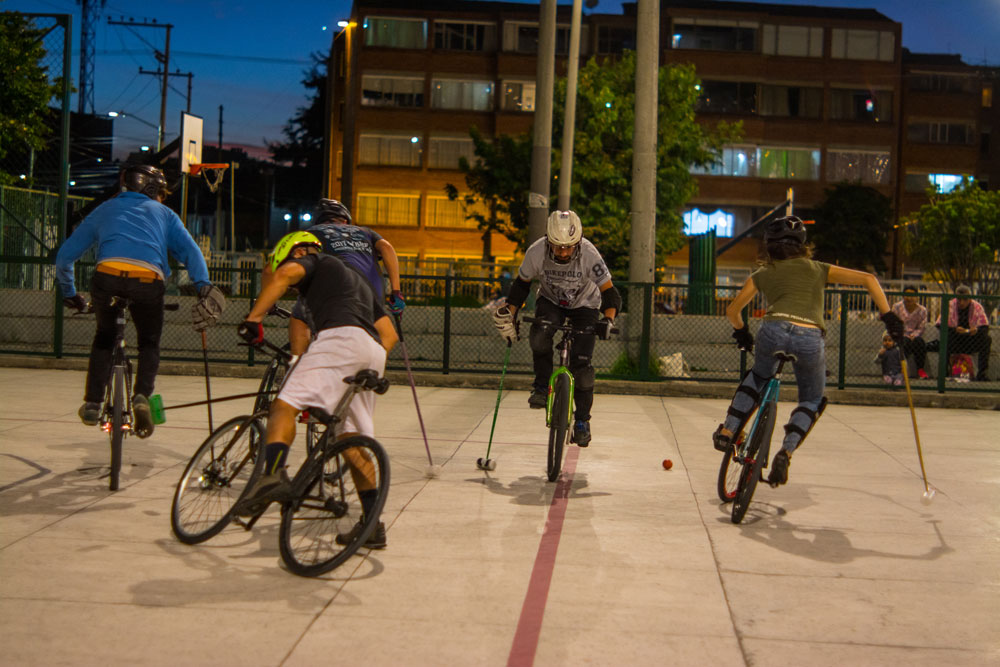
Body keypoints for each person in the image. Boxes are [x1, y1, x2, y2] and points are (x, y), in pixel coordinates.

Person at [712, 215, 901, 486]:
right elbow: (869, 279)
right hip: (810, 336)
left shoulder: (762, 274)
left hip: (773, 329)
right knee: (811, 400)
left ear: (770, 246)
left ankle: (729, 431)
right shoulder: (817, 269)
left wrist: (742, 333)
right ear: (802, 244)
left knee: (757, 377)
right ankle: (786, 452)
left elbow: (733, 311)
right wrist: (890, 319)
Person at [235, 231, 395, 548]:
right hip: (372, 352)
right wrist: (370, 365)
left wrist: (253, 319)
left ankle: (272, 474)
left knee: (285, 403)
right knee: (351, 441)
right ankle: (372, 525)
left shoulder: (315, 261)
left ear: (295, 252)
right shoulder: (357, 283)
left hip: (339, 339)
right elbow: (388, 334)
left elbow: (284, 275)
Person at [54, 164, 225, 437]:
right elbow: (190, 252)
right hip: (147, 281)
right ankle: (142, 396)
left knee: (104, 337)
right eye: (162, 193)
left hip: (107, 277)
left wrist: (70, 293)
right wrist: (203, 285)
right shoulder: (165, 214)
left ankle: (94, 402)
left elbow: (64, 257)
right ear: (153, 190)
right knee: (148, 341)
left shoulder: (105, 209)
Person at [492, 210, 621, 447]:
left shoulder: (590, 254)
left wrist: (608, 320)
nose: (562, 252)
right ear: (548, 241)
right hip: (551, 301)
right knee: (540, 335)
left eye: (568, 247)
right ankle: (541, 386)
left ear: (578, 243)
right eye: (557, 247)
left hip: (585, 306)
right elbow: (521, 286)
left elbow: (610, 292)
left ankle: (582, 420)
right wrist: (510, 315)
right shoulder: (536, 251)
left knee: (582, 367)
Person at [269, 198, 405, 357]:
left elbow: (291, 267)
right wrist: (396, 291)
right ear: (346, 219)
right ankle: (367, 367)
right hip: (371, 294)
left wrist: (271, 301)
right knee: (384, 335)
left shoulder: (312, 232)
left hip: (338, 290)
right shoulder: (365, 232)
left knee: (299, 319)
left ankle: (297, 369)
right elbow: (387, 248)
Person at [930, 285, 991, 381]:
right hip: (955, 340)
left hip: (971, 341)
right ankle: (943, 373)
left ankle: (982, 374)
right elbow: (939, 324)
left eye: (965, 299)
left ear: (970, 299)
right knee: (945, 338)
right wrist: (954, 330)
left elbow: (985, 326)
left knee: (987, 339)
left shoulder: (977, 307)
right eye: (959, 300)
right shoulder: (950, 305)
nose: (961, 302)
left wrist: (976, 330)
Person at [891, 285, 929, 379]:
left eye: (912, 295)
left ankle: (920, 370)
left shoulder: (922, 310)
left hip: (914, 336)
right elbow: (893, 323)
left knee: (920, 342)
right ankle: (902, 369)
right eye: (906, 295)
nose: (909, 298)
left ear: (916, 297)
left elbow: (922, 327)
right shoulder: (897, 307)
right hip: (901, 335)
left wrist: (914, 335)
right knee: (904, 342)